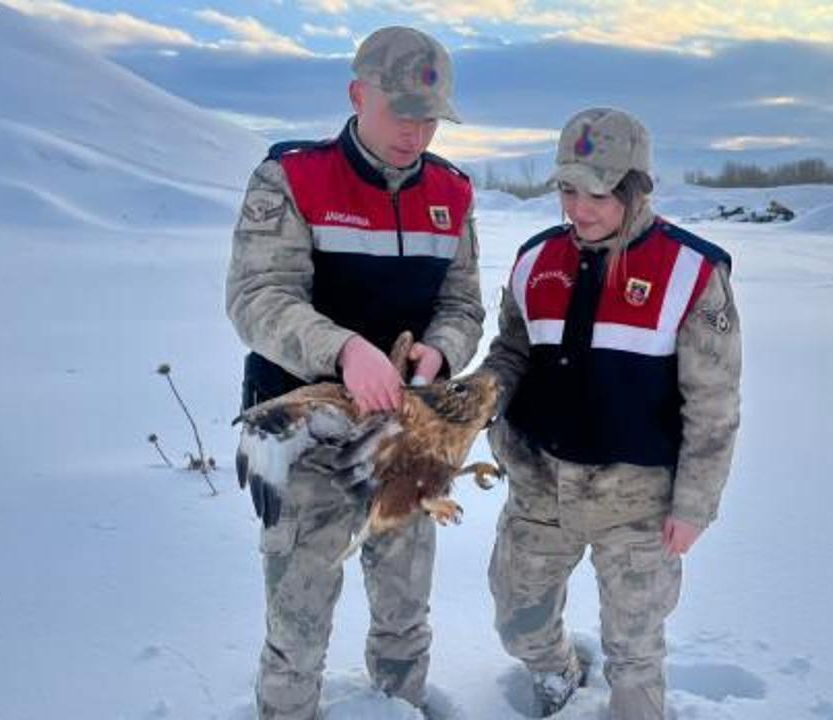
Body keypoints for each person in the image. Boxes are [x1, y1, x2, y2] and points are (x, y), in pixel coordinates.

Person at [224, 26, 484, 719]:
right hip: (301, 430)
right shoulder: (293, 177)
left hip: (405, 435)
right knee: (298, 614)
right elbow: (257, 298)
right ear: (356, 94)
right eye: (400, 112)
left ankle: (398, 704)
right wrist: (343, 349)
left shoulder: (452, 192)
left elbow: (462, 303)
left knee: (405, 603)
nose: (415, 131)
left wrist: (442, 350)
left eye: (429, 117)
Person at [479, 107, 742, 719]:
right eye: (568, 189)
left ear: (636, 187)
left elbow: (713, 404)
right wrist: (482, 395)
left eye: (598, 192)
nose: (579, 208)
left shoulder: (692, 271)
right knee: (516, 621)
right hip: (540, 486)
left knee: (635, 655)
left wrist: (694, 505)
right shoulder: (534, 259)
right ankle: (557, 672)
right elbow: (512, 350)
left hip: (639, 501)